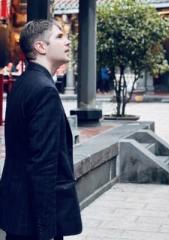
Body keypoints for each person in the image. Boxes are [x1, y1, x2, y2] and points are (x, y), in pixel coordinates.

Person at [0, 20, 82, 240]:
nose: (67, 41)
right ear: (40, 47)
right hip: (32, 219)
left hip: (17, 210)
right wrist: (46, 230)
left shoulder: (25, 82)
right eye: (59, 37)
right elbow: (43, 165)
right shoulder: (44, 90)